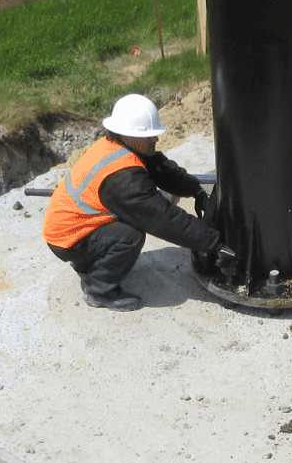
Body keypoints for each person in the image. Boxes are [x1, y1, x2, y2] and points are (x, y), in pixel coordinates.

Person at [42, 94, 222, 310]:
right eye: (149, 136)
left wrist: (196, 190)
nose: (155, 140)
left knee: (128, 223)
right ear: (128, 136)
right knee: (129, 236)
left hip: (73, 225)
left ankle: (89, 261)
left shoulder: (119, 147)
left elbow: (163, 170)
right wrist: (215, 244)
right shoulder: (122, 179)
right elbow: (163, 219)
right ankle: (99, 290)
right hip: (68, 239)